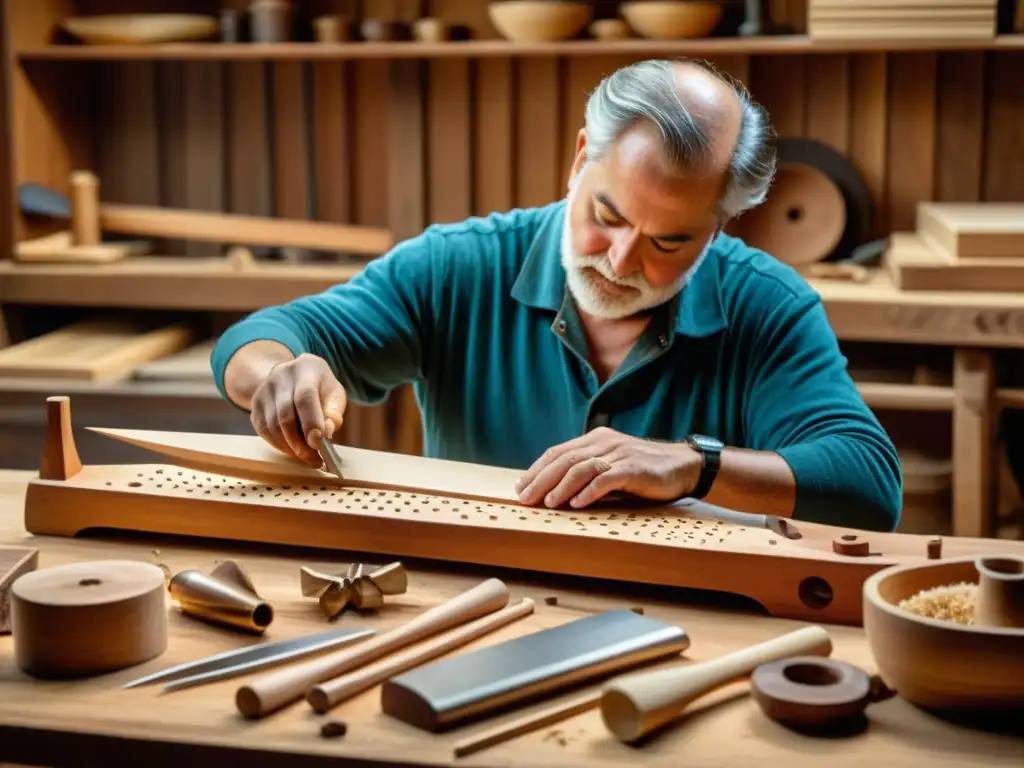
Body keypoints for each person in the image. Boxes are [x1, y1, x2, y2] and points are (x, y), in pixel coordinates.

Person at [210, 58, 903, 532]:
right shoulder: (459, 266)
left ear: (721, 224)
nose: (622, 260)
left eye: (671, 243)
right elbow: (267, 335)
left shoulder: (767, 306)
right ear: (579, 159)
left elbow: (869, 485)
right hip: (473, 597)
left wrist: (695, 464)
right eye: (607, 216)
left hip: (686, 616)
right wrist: (278, 372)